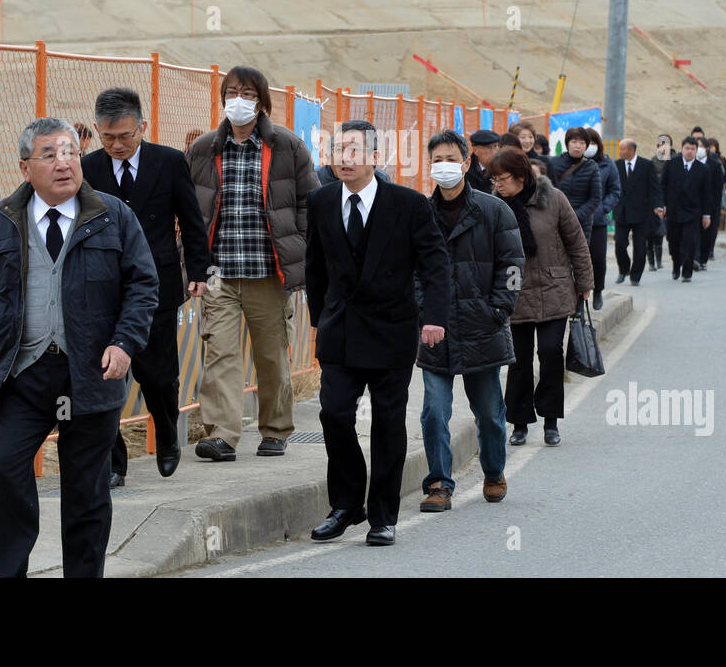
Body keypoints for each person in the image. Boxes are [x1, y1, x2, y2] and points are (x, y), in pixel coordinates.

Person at [0, 117, 158, 578]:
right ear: (25, 167)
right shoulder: (0, 221)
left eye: (71, 152)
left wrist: (124, 343)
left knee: (87, 491)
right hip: (24, 375)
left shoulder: (113, 215)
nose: (63, 163)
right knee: (6, 473)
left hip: (92, 373)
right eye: (49, 154)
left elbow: (143, 286)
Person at [305, 120, 450, 546]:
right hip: (340, 331)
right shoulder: (321, 200)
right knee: (333, 413)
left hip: (391, 331)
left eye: (353, 150)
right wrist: (320, 317)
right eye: (337, 150)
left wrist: (434, 317)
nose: (343, 158)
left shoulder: (407, 204)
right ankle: (347, 503)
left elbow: (434, 264)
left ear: (374, 157)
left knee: (387, 422)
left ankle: (383, 514)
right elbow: (315, 265)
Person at [185, 66, 319, 460]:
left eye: (246, 93)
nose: (237, 101)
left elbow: (309, 206)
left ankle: (275, 429)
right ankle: (221, 435)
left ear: (261, 100)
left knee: (271, 354)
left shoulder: (288, 147)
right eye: (230, 93)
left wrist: (302, 257)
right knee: (220, 354)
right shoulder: (205, 148)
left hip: (268, 272)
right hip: (218, 273)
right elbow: (192, 211)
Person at [82, 88, 209, 484]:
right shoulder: (88, 169)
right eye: (108, 137)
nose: (117, 145)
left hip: (156, 286)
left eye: (125, 135)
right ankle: (114, 461)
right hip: (102, 289)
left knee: (157, 375)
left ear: (142, 127)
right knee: (106, 378)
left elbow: (191, 219)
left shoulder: (169, 162)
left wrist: (200, 270)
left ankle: (167, 433)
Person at [417, 130, 524, 511]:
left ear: (466, 163)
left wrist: (499, 309)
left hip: (483, 328)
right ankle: (440, 484)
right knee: (433, 412)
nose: (442, 166)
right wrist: (421, 311)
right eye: (436, 160)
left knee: (491, 416)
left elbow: (512, 267)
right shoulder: (421, 214)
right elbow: (409, 270)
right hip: (435, 331)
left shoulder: (494, 211)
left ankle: (493, 472)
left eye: (450, 159)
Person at [488, 147, 592, 447]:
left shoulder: (554, 199)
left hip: (554, 289)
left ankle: (550, 420)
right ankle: (519, 423)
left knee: (549, 353)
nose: (498, 185)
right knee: (518, 361)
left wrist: (585, 282)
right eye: (494, 180)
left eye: (503, 178)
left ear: (521, 175)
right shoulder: (495, 205)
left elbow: (577, 242)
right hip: (514, 292)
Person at [613, 139, 662, 287]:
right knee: (620, 243)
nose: (620, 152)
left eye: (623, 149)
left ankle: (635, 276)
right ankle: (624, 269)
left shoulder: (646, 165)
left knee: (640, 247)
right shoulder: (616, 165)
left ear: (631, 150)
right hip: (622, 212)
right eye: (620, 149)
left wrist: (658, 205)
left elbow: (655, 188)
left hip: (642, 212)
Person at [663, 136, 713, 283]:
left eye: (693, 149)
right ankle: (676, 264)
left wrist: (706, 215)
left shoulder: (703, 169)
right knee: (674, 241)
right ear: (682, 149)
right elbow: (663, 186)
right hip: (673, 211)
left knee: (689, 242)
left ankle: (687, 271)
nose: (690, 151)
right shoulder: (672, 164)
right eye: (687, 148)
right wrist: (662, 204)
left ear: (696, 150)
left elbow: (706, 194)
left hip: (693, 212)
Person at [580, 127, 620, 307]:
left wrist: (604, 208)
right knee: (577, 259)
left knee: (597, 258)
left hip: (597, 221)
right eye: (585, 143)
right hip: (576, 219)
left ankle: (598, 290)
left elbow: (615, 190)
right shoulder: (572, 163)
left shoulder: (607, 164)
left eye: (593, 143)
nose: (589, 147)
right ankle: (578, 296)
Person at [549, 127, 601, 237]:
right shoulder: (553, 163)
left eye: (582, 142)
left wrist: (575, 217)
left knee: (580, 253)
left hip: (581, 224)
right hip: (556, 220)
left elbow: (595, 198)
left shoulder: (592, 167)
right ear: (567, 143)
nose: (578, 146)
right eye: (574, 141)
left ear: (586, 146)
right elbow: (547, 192)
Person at [693, 136, 724, 269]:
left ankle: (703, 259)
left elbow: (718, 188)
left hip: (710, 205)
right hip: (693, 204)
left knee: (707, 233)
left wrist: (713, 207)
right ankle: (695, 258)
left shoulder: (715, 164)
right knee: (694, 232)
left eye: (700, 146)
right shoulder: (690, 163)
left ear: (706, 149)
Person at [646, 134, 673, 270]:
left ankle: (660, 260)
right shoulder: (652, 161)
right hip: (654, 200)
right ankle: (651, 263)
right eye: (659, 145)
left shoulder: (675, 161)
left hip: (669, 201)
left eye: (665, 144)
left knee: (662, 233)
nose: (662, 148)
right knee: (651, 232)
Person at [466, 128, 500, 193]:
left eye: (496, 146)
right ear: (476, 151)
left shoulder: (503, 167)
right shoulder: (467, 172)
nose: (494, 152)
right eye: (489, 148)